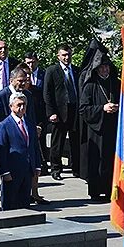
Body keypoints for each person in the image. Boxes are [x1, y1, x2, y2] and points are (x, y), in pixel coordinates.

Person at [79, 51, 120, 201]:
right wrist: (102, 108)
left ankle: (111, 190)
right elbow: (83, 109)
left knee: (111, 160)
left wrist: (117, 108)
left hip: (113, 127)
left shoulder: (117, 83)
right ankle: (96, 191)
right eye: (102, 68)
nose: (105, 70)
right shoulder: (90, 85)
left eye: (107, 67)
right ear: (96, 69)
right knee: (97, 159)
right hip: (97, 130)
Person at [0, 94, 42, 210]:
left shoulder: (29, 123)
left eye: (24, 105)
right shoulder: (4, 125)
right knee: (10, 203)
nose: (22, 108)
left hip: (27, 170)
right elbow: (2, 150)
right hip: (12, 172)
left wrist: (37, 166)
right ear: (11, 106)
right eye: (18, 105)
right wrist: (4, 172)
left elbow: (34, 146)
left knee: (25, 203)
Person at [43, 44, 81, 181]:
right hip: (59, 112)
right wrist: (51, 112)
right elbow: (47, 93)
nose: (66, 57)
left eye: (68, 54)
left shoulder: (76, 70)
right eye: (64, 55)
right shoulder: (52, 71)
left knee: (75, 141)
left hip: (74, 110)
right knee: (57, 143)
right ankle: (56, 169)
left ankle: (76, 168)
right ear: (58, 56)